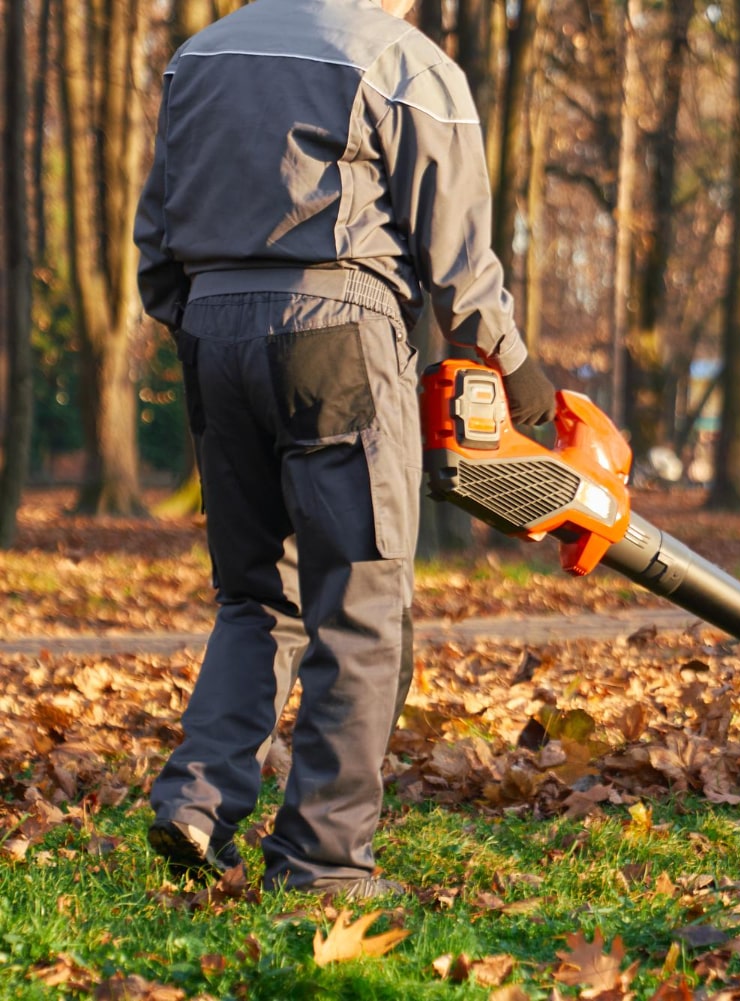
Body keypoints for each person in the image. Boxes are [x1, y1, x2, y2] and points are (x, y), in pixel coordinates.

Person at [133, 0, 555, 900]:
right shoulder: (401, 59)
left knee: (255, 594)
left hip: (210, 329)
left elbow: (156, 236)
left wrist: (202, 326)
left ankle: (198, 801)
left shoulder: (198, 55)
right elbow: (457, 252)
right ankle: (323, 861)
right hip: (336, 331)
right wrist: (517, 371)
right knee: (360, 604)